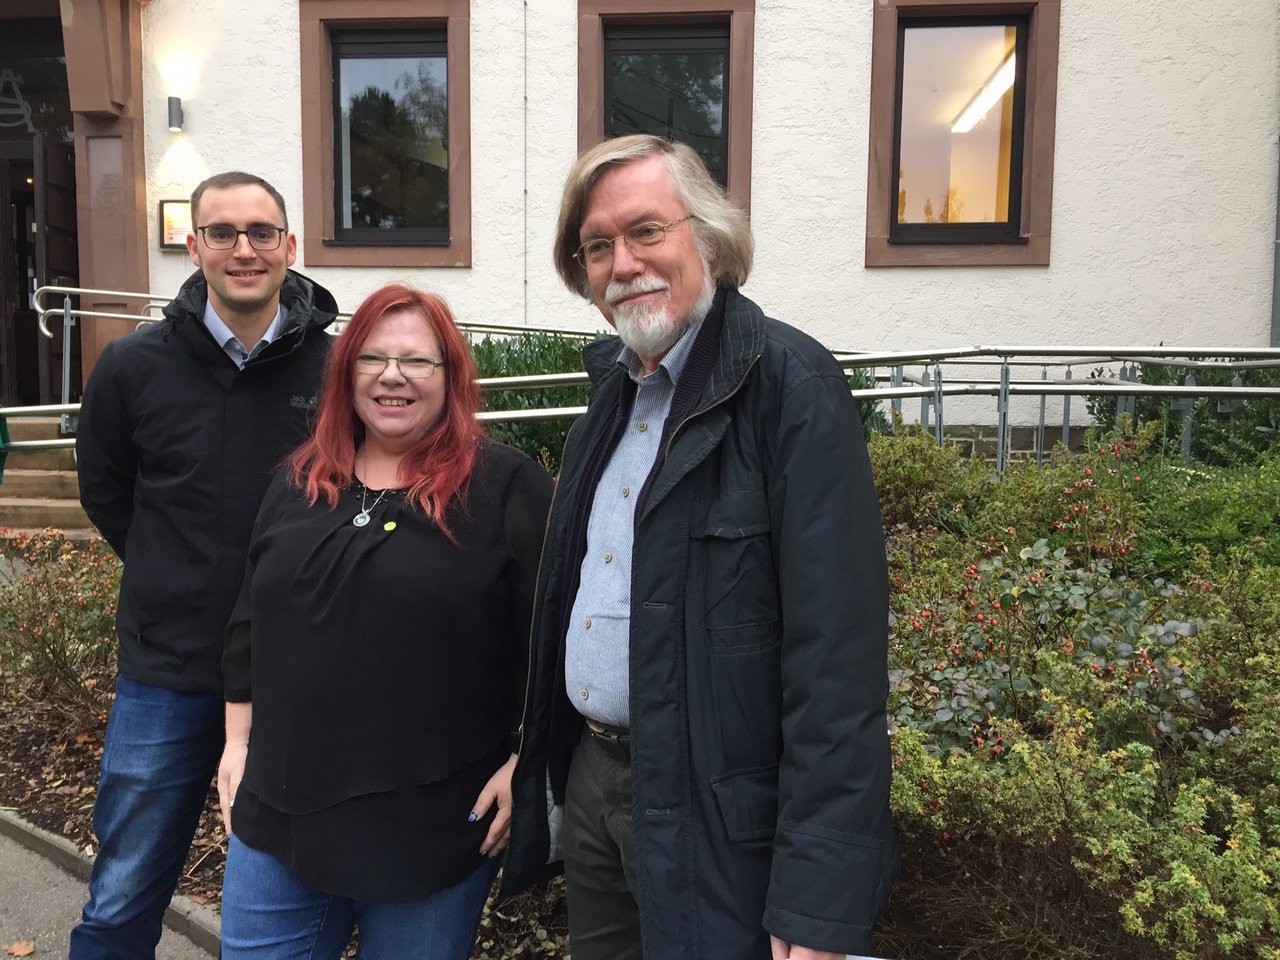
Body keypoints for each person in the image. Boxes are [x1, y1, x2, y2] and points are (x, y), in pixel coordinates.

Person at [503, 134, 898, 960]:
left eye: (646, 230)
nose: (623, 263)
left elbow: (836, 664)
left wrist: (819, 897)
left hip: (714, 806)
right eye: (597, 247)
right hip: (596, 783)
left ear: (709, 239)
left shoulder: (790, 388)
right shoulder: (611, 399)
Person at [216, 284, 554, 960]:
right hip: (281, 813)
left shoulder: (507, 491)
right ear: (346, 373)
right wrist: (237, 740)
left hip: (430, 829)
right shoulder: (300, 480)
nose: (392, 375)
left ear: (451, 375)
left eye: (417, 360)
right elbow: (252, 618)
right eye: (372, 357)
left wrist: (529, 764)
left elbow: (556, 642)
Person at [72, 171, 337, 959]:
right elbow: (105, 490)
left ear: (290, 246)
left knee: (296, 895)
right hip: (169, 671)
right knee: (122, 898)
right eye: (222, 232)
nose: (243, 249)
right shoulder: (131, 367)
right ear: (194, 247)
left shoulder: (336, 372)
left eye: (262, 232)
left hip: (299, 675)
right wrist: (170, 570)